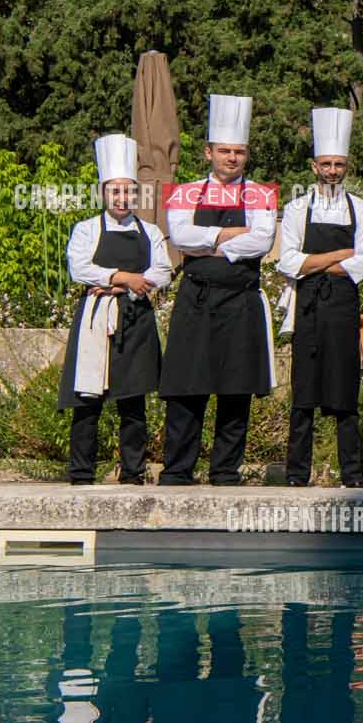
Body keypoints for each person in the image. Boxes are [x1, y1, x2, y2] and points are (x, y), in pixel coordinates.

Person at [157, 94, 277, 487]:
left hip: (241, 299)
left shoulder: (261, 194)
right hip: (196, 298)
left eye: (238, 152)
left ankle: (225, 470)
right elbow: (181, 237)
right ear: (209, 152)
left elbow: (262, 242)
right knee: (185, 387)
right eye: (225, 151)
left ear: (246, 155)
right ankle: (177, 470)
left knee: (236, 388)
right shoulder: (184, 193)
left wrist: (208, 242)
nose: (232, 158)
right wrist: (231, 235)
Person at [59, 134, 169, 485]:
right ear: (103, 193)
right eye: (115, 191)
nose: (122, 198)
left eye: (128, 191)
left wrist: (121, 286)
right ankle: (81, 473)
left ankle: (133, 472)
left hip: (136, 319)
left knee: (133, 403)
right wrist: (125, 277)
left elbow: (162, 272)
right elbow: (79, 268)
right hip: (95, 319)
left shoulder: (150, 231)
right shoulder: (86, 230)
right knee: (86, 401)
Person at [275, 107, 363, 487]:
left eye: (339, 164)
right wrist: (339, 256)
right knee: (303, 392)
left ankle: (352, 474)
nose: (333, 170)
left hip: (344, 309)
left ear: (346, 166)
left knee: (345, 391)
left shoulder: (361, 209)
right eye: (327, 164)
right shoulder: (297, 208)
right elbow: (288, 262)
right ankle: (296, 474)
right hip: (308, 308)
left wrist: (313, 262)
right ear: (314, 166)